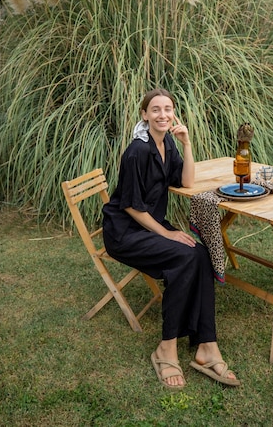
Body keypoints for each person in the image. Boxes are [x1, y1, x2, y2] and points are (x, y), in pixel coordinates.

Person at [102, 88, 240, 390]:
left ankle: (207, 345)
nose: (162, 115)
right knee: (184, 256)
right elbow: (130, 205)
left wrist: (187, 143)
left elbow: (187, 181)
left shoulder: (166, 143)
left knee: (200, 254)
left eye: (168, 109)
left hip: (148, 226)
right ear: (144, 115)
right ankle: (167, 346)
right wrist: (166, 232)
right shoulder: (137, 151)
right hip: (125, 233)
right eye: (155, 110)